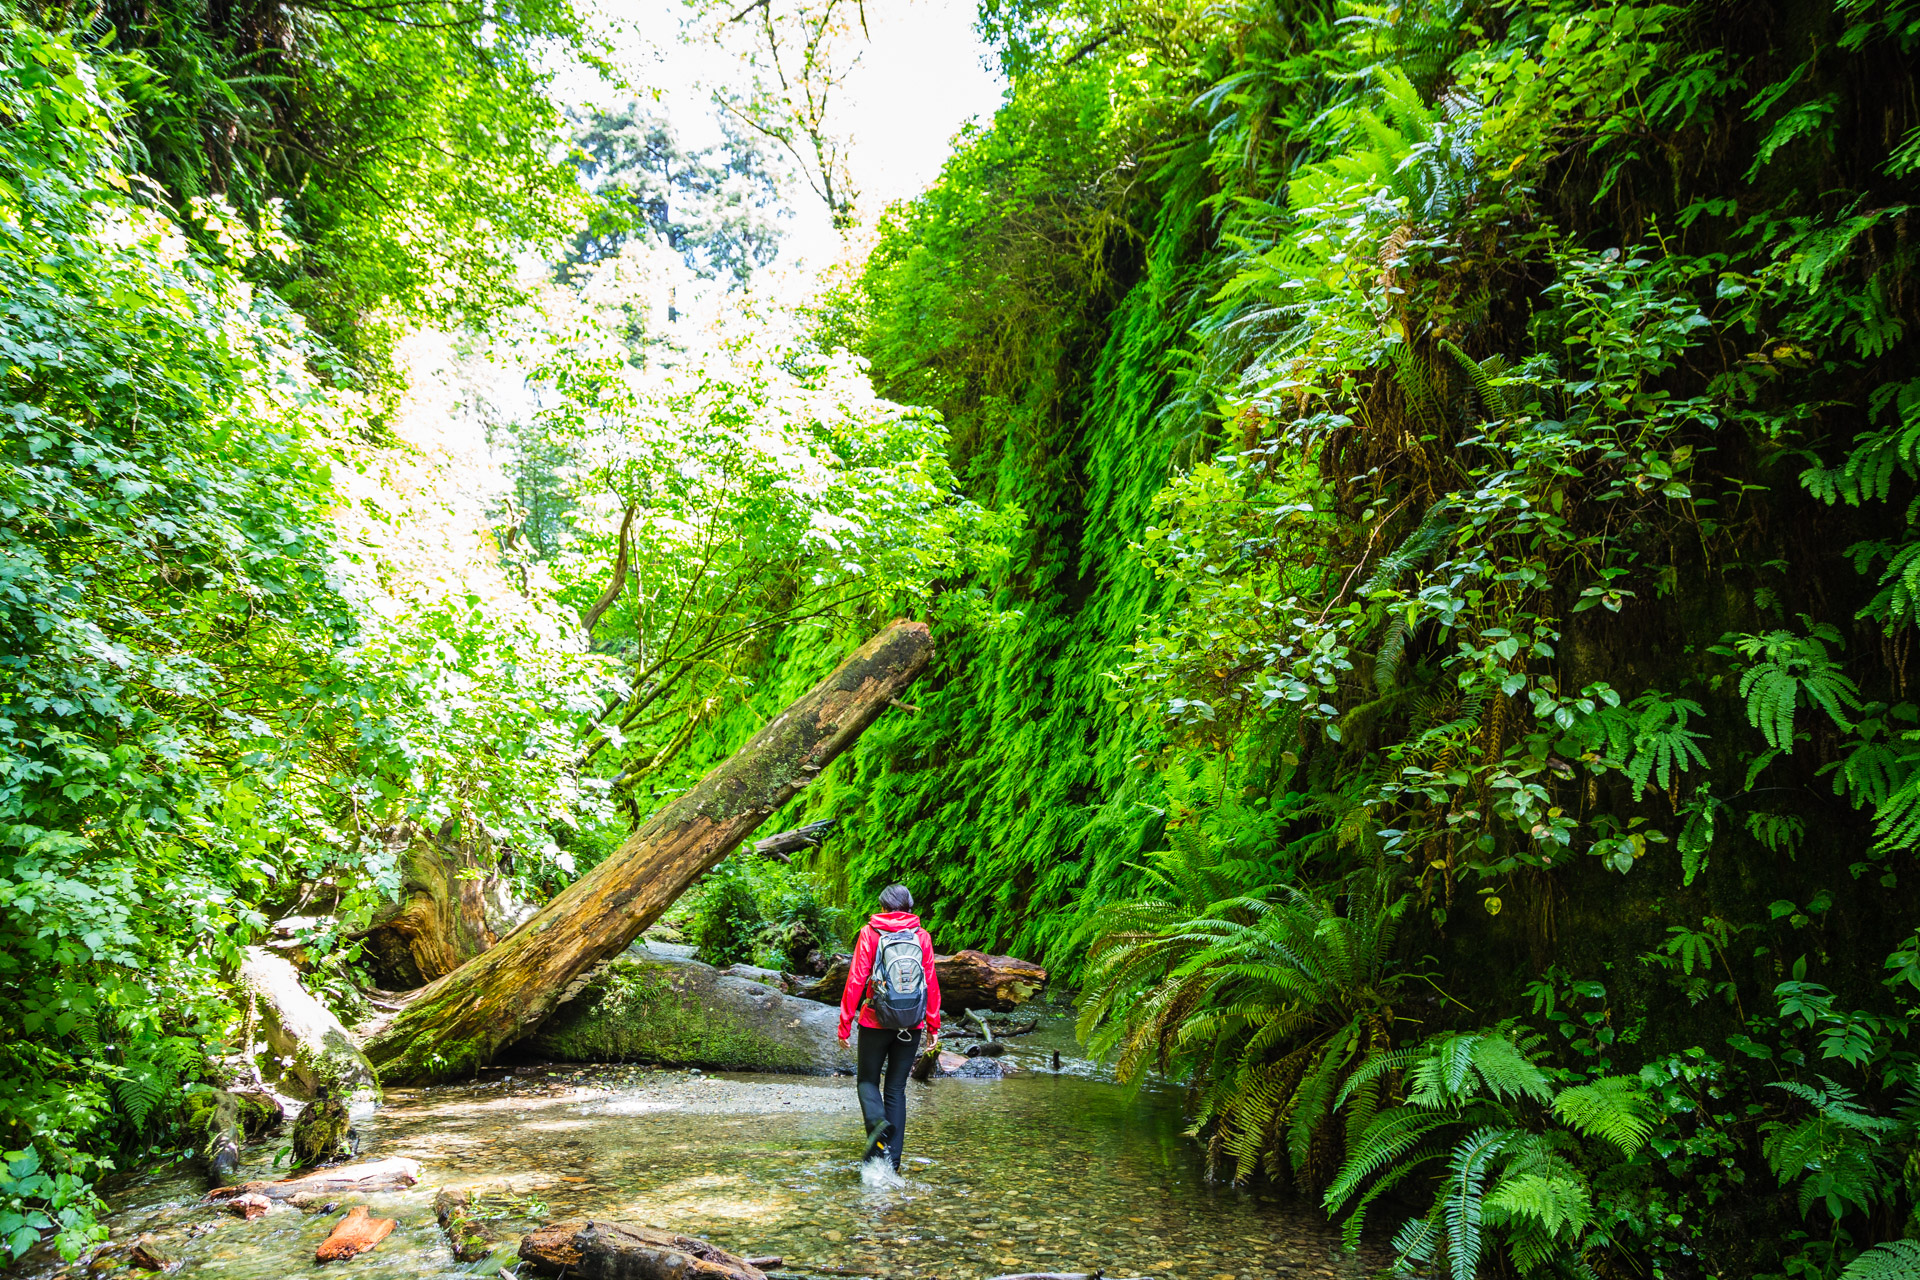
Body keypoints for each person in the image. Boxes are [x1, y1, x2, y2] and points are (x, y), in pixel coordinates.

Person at [837, 884, 941, 1170]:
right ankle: (892, 1166)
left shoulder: (870, 933)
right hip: (912, 1022)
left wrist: (845, 1022)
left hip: (874, 1020)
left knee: (868, 1082)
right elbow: (930, 982)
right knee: (896, 1090)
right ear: (909, 908)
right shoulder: (922, 937)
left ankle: (877, 1126)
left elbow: (856, 979)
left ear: (883, 907)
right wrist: (934, 1025)